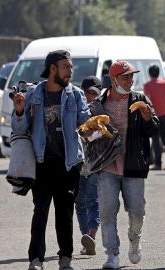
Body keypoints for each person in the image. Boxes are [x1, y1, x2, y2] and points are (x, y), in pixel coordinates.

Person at [12, 50, 90, 270]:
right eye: (66, 66)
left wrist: (94, 125)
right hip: (41, 163)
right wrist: (19, 112)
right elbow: (19, 129)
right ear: (53, 68)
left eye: (71, 67)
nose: (70, 71)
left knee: (64, 214)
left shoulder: (75, 94)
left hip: (68, 164)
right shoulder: (34, 95)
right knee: (41, 212)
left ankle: (65, 258)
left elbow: (84, 122)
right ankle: (36, 259)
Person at [91, 60, 159, 269]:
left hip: (133, 165)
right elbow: (89, 133)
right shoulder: (99, 103)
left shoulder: (140, 99)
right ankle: (112, 254)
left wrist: (149, 119)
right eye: (125, 77)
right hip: (107, 166)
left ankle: (134, 239)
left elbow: (154, 130)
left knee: (137, 211)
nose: (130, 81)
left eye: (131, 77)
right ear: (113, 79)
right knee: (107, 211)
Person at [75, 76, 102, 256]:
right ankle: (87, 239)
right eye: (87, 93)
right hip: (77, 163)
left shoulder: (102, 110)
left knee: (93, 201)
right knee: (79, 203)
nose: (90, 97)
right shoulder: (75, 107)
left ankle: (91, 235)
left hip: (95, 163)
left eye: (94, 94)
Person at [144, 64, 165, 170]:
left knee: (156, 140)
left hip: (154, 116)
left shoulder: (147, 85)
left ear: (149, 73)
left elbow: (147, 100)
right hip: (164, 115)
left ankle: (158, 164)